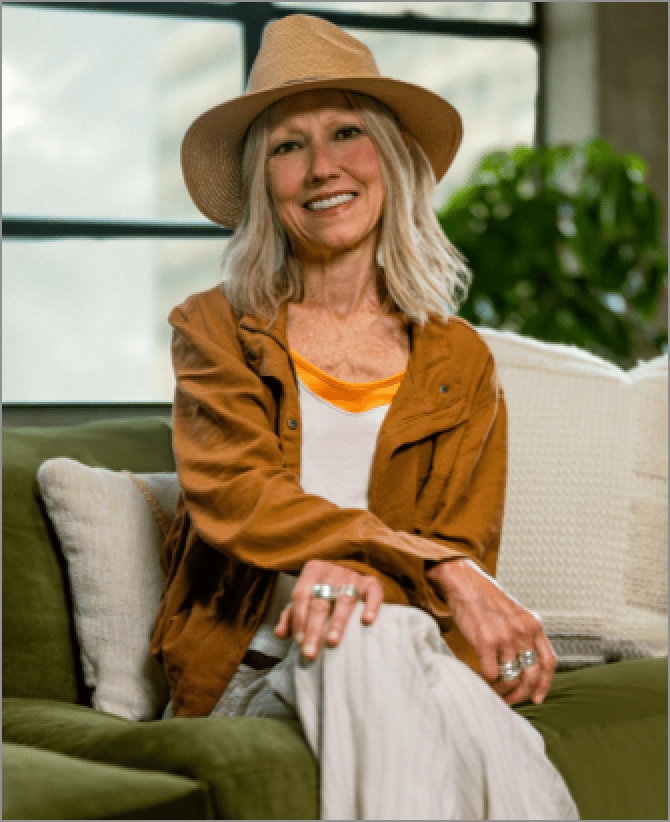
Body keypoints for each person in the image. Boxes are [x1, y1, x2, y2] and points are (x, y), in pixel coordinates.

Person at [151, 13, 579, 820]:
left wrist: (376, 577)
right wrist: (412, 565)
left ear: (389, 157)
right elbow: (235, 494)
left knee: (390, 647)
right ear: (261, 182)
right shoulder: (212, 328)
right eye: (287, 146)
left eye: (346, 131)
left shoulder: (461, 361)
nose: (321, 168)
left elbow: (463, 541)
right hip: (249, 670)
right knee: (382, 649)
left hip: (403, 648)